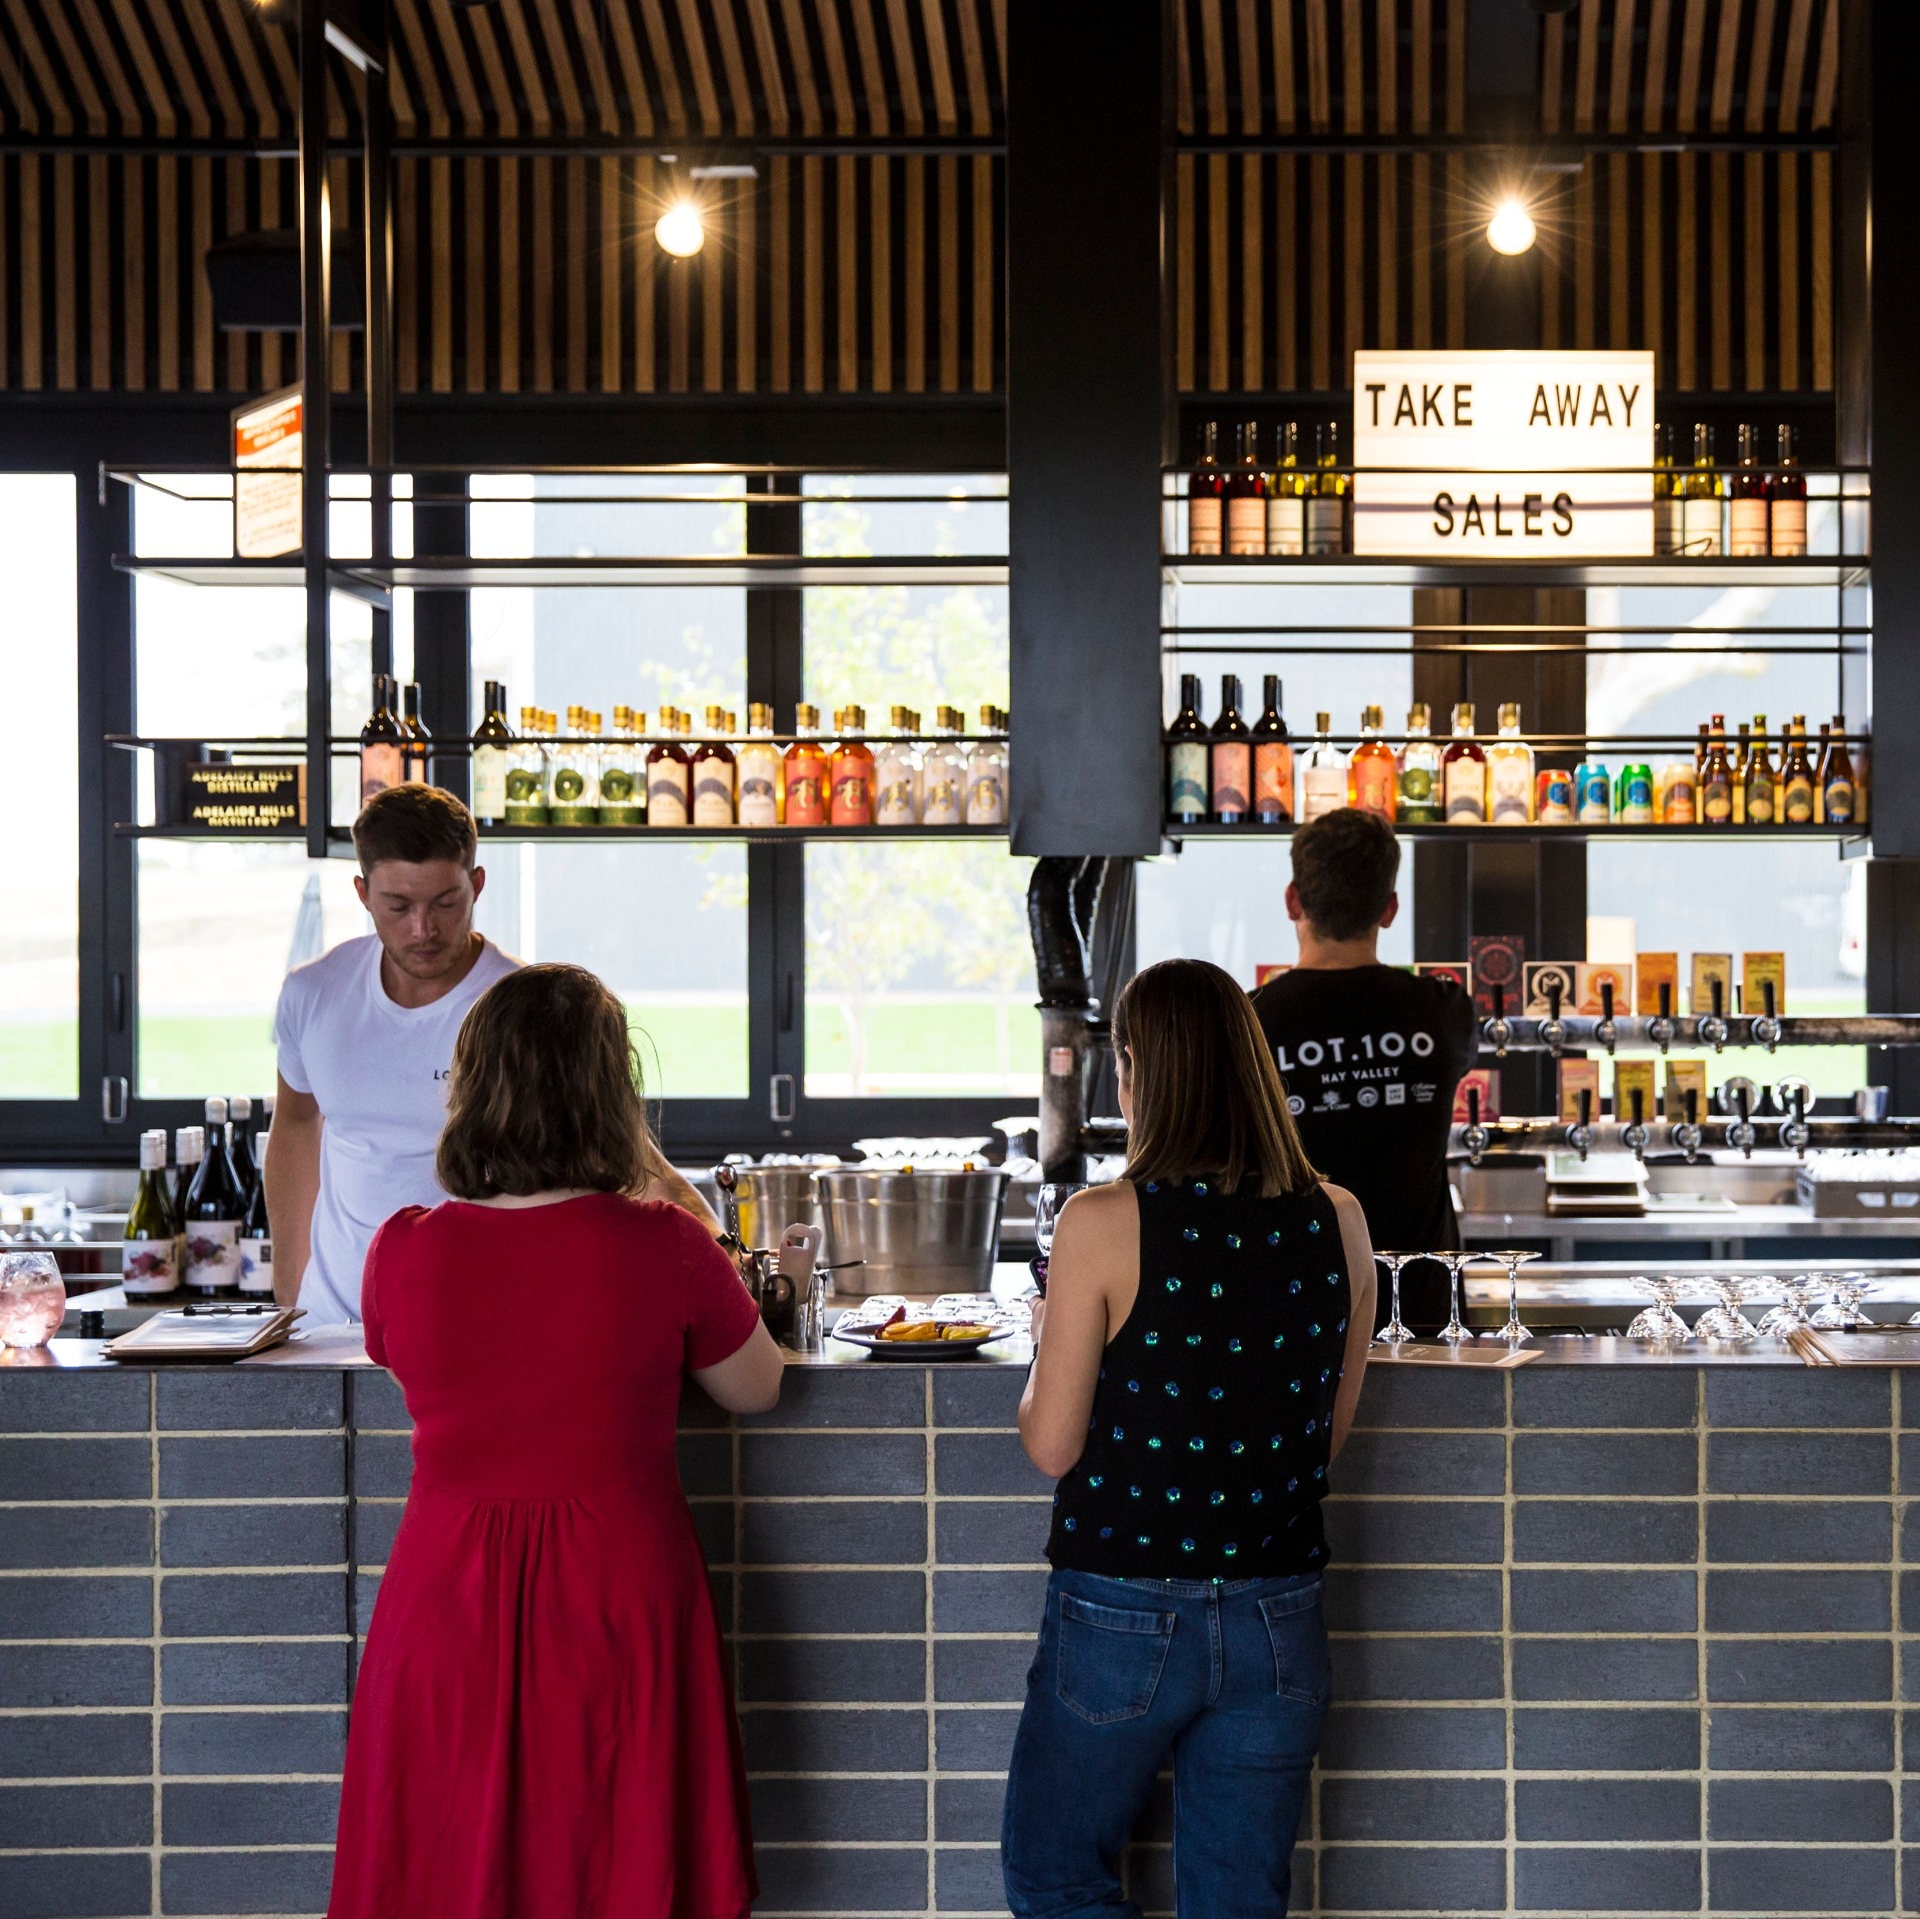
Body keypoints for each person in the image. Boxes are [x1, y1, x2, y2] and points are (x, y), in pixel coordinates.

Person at [326, 963, 784, 1919]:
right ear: (612, 1095)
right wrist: (657, 1178)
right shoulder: (664, 1243)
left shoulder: (403, 1250)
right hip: (618, 1599)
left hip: (446, 1602)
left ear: (471, 1087)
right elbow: (756, 1385)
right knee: (620, 1867)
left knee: (451, 1872)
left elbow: (402, 1356)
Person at [1003, 958, 1375, 1919]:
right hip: (1278, 1615)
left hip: (1120, 1609)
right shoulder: (1341, 1219)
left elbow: (1051, 1445)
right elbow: (1318, 1443)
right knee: (1238, 1903)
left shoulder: (1102, 1220)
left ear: (1138, 1070)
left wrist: (1046, 1343)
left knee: (1055, 1878)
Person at [265, 783, 714, 1323]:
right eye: (398, 905)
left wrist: (720, 1249)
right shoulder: (314, 993)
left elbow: (630, 1158)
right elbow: (293, 1126)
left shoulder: (526, 1008)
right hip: (328, 1323)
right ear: (363, 894)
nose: (422, 929)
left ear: (477, 886)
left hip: (474, 1326)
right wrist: (288, 1297)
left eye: (445, 903)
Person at [1249, 807, 1476, 1328]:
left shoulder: (1248, 1020)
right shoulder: (1443, 1011)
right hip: (1420, 1312)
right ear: (1390, 909)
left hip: (1294, 1315)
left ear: (1292, 901)